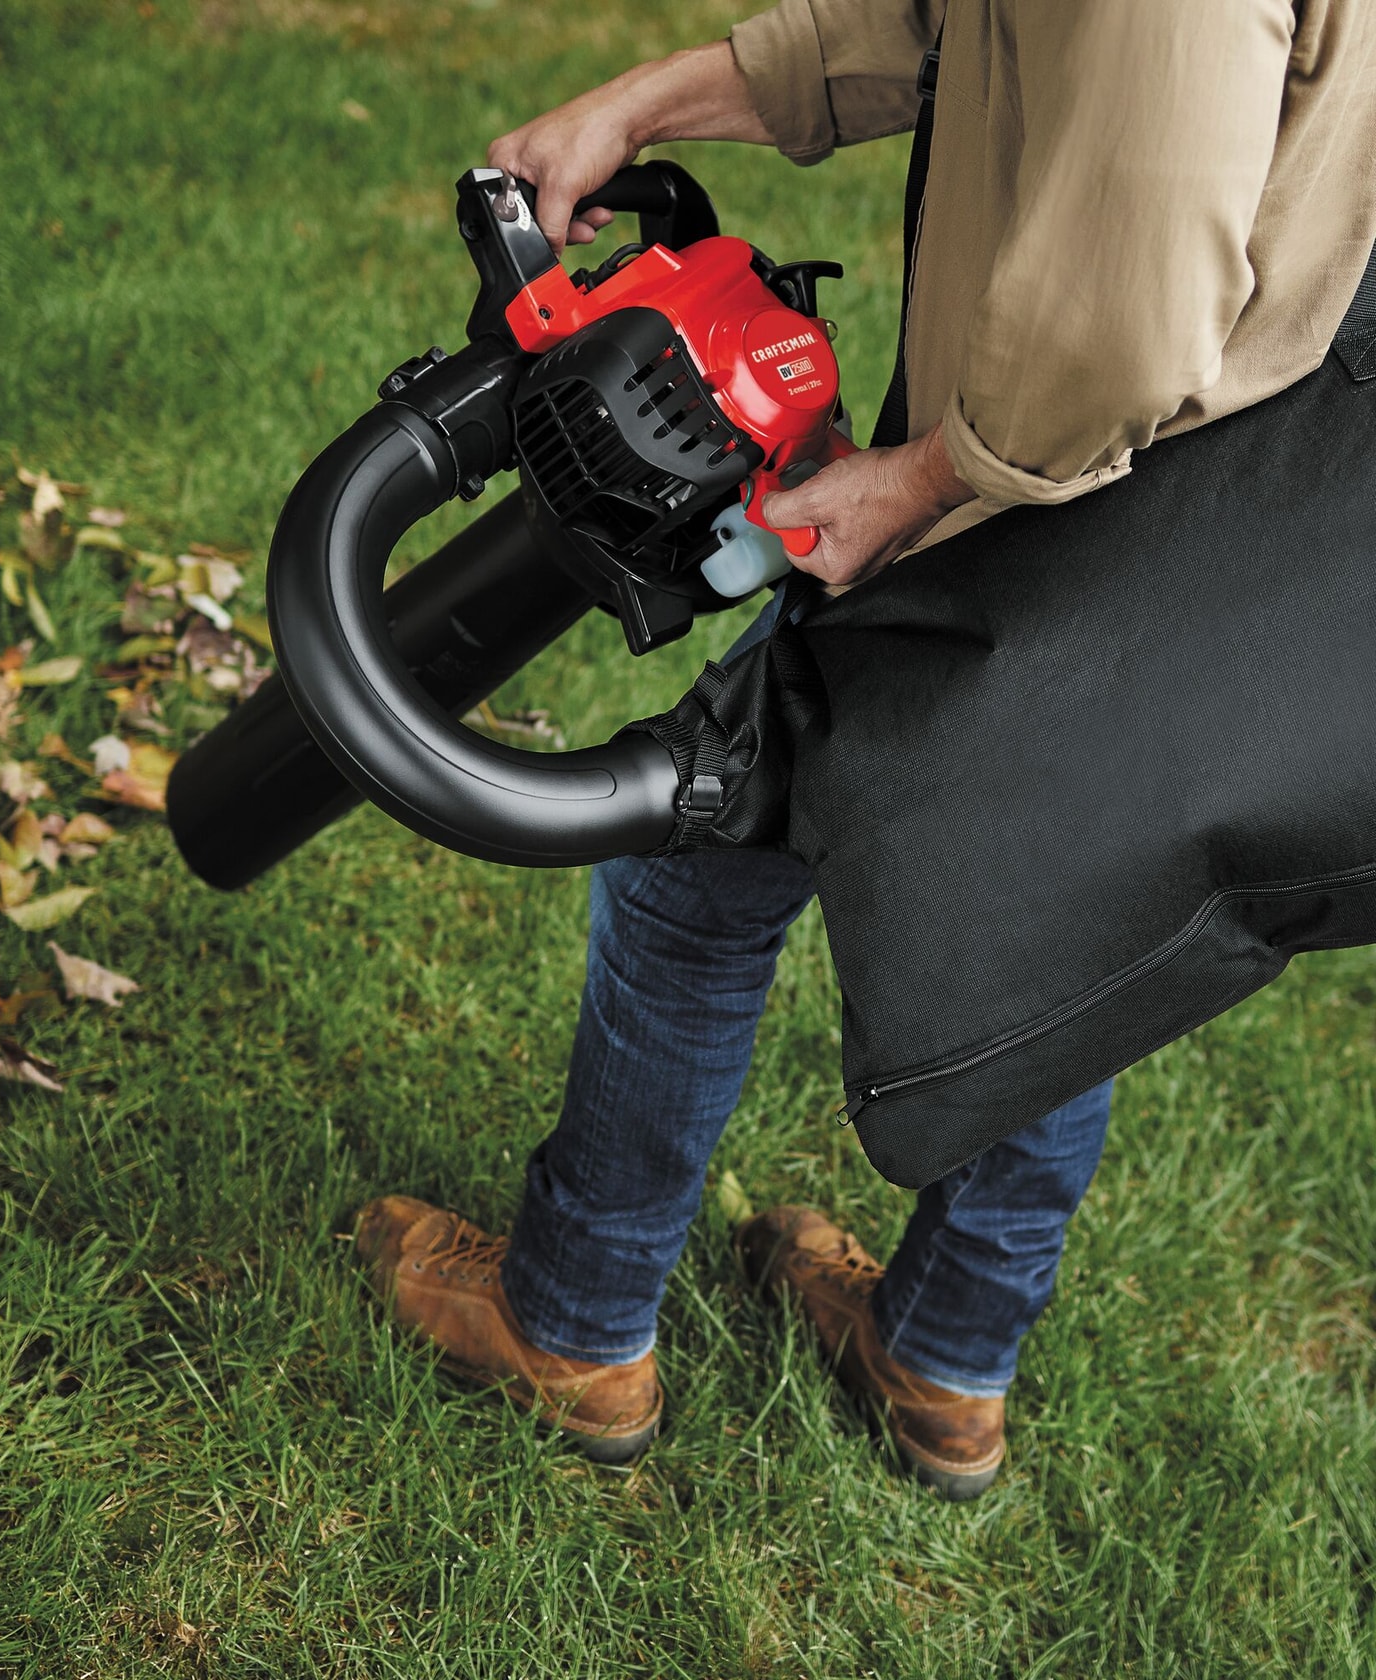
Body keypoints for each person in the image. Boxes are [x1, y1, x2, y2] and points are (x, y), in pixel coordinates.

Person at [355, 0, 1376, 1499]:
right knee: (1046, 900)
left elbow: (1121, 324)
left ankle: (570, 1319)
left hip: (1116, 477)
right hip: (1250, 467)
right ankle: (945, 1359)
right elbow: (957, 26)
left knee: (688, 869)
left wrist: (920, 481)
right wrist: (642, 109)